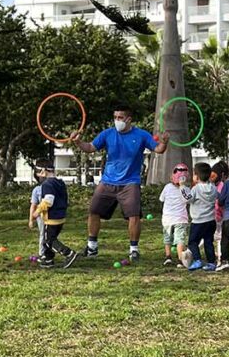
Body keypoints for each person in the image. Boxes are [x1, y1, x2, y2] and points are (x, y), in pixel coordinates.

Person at [71, 105, 169, 263]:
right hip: (107, 181)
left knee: (134, 216)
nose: (117, 121)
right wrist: (77, 142)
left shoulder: (141, 135)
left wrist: (164, 142)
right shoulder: (108, 134)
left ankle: (134, 250)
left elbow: (158, 149)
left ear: (129, 119)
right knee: (93, 211)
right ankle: (92, 247)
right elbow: (89, 148)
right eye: (115, 117)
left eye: (120, 118)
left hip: (130, 182)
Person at [33, 161, 79, 269]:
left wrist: (37, 211)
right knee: (48, 238)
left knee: (49, 240)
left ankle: (68, 253)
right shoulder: (60, 182)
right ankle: (48, 259)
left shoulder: (47, 184)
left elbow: (48, 201)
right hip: (60, 216)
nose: (38, 176)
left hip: (51, 218)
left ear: (43, 172)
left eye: (38, 173)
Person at [182, 162, 217, 271]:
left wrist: (182, 186)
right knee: (208, 242)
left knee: (192, 242)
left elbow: (187, 199)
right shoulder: (213, 187)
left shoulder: (196, 189)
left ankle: (197, 260)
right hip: (211, 220)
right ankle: (211, 262)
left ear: (196, 176)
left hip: (198, 222)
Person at [160, 163, 191, 267]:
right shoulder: (186, 189)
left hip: (167, 219)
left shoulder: (167, 187)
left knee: (167, 238)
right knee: (180, 240)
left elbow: (161, 199)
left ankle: (168, 257)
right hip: (181, 219)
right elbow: (188, 200)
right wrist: (182, 187)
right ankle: (180, 260)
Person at [210, 161, 229, 262]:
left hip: (215, 215)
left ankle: (219, 256)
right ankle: (219, 257)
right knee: (217, 237)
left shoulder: (217, 185)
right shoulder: (218, 185)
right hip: (215, 215)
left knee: (216, 236)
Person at [28, 164, 46, 258]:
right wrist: (31, 219)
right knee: (43, 233)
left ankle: (49, 252)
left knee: (50, 235)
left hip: (53, 215)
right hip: (41, 216)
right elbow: (33, 205)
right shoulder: (37, 190)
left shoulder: (53, 187)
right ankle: (42, 253)